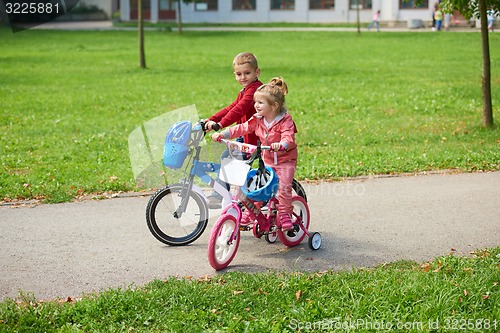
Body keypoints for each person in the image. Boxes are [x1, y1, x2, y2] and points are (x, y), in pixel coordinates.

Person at [212, 77, 298, 232]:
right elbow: (242, 128)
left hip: (285, 161)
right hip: (267, 161)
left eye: (260, 103)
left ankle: (285, 214)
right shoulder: (258, 119)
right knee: (257, 188)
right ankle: (252, 213)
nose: (256, 106)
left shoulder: (285, 121)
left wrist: (282, 144)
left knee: (284, 188)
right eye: (255, 102)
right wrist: (224, 134)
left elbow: (288, 137)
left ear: (274, 106)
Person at [204, 52, 263, 208]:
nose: (242, 77)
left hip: (255, 139)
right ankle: (223, 195)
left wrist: (220, 125)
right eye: (239, 74)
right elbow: (231, 107)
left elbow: (240, 110)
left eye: (247, 73)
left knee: (233, 165)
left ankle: (226, 198)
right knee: (227, 159)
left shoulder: (255, 90)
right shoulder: (245, 90)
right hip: (244, 137)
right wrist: (211, 119)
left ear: (257, 72)